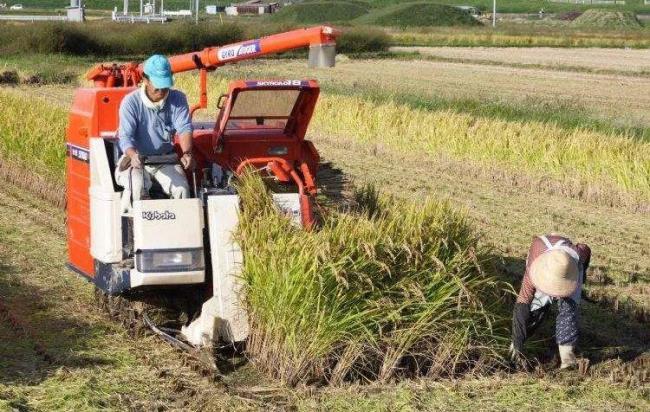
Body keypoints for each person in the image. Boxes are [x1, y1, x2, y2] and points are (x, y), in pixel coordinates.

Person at [115, 54, 195, 213]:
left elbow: (184, 128)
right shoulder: (131, 102)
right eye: (158, 86)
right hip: (135, 160)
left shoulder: (177, 99)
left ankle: (179, 232)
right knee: (136, 187)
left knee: (182, 189)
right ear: (145, 79)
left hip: (165, 159)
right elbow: (125, 136)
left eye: (165, 86)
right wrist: (132, 155)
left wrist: (187, 153)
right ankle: (133, 233)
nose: (162, 91)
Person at [510, 234, 591, 369]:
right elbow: (523, 302)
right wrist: (517, 341)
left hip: (571, 272)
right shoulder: (534, 267)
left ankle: (567, 360)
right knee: (537, 306)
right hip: (546, 261)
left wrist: (582, 275)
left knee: (569, 310)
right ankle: (516, 344)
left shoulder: (577, 255)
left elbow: (586, 249)